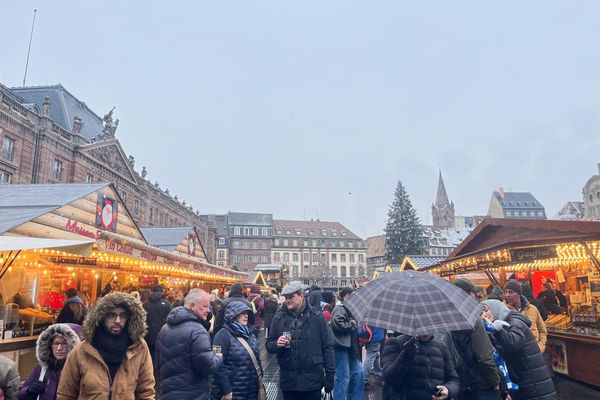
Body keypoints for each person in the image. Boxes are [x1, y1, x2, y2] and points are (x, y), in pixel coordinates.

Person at [57, 292, 155, 400]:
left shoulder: (138, 348)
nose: (117, 321)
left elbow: (146, 392)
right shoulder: (83, 350)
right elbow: (66, 394)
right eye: (112, 315)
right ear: (102, 317)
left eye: (123, 316)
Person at [266, 281, 335, 400]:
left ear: (301, 296)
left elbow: (327, 347)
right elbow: (269, 344)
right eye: (286, 297)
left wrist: (330, 376)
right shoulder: (279, 318)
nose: (287, 300)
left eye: (291, 297)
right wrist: (276, 344)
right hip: (289, 381)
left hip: (312, 381)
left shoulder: (317, 317)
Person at [156, 289, 223, 400]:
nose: (208, 310)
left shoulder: (165, 328)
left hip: (167, 392)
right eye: (205, 306)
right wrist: (218, 357)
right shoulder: (198, 331)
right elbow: (208, 366)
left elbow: (158, 363)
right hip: (193, 393)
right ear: (192, 306)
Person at [482, 300, 556, 400]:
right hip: (523, 380)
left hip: (533, 381)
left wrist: (497, 331)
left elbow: (514, 343)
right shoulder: (501, 325)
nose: (484, 314)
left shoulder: (515, 322)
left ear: (495, 308)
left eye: (486, 310)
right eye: (482, 312)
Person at [445, 279, 500, 400]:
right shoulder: (471, 318)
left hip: (459, 383)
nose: (476, 298)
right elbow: (485, 357)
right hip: (480, 384)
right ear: (467, 294)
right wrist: (495, 381)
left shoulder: (445, 317)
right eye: (474, 294)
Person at [382, 334, 460, 400]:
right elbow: (389, 379)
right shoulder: (396, 343)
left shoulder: (442, 347)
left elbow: (453, 380)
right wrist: (406, 355)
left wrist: (448, 389)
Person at [211, 302, 262, 400]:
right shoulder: (222, 335)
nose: (246, 316)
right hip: (232, 393)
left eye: (247, 313)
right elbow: (217, 366)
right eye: (242, 313)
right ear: (233, 315)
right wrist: (226, 390)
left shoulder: (250, 334)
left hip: (251, 391)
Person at [18, 324, 80, 400]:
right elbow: (20, 394)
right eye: (56, 344)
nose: (59, 348)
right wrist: (29, 390)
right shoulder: (41, 368)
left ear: (72, 345)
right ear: (50, 345)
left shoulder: (77, 371)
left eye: (64, 343)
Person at [331, 287, 364, 400]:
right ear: (347, 296)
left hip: (350, 346)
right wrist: (353, 323)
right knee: (343, 377)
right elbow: (338, 324)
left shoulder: (347, 308)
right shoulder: (340, 308)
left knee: (358, 373)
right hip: (342, 346)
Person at [504, 280, 547, 353]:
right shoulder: (504, 310)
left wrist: (540, 347)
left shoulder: (532, 309)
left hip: (535, 353)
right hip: (517, 355)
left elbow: (542, 330)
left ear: (519, 293)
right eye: (505, 292)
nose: (507, 295)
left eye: (511, 292)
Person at [143, 284, 171, 365]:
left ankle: (151, 374)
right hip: (164, 336)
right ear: (162, 291)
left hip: (148, 336)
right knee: (162, 359)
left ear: (152, 291)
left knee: (150, 358)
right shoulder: (167, 304)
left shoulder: (145, 305)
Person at [362, 325, 384, 391]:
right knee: (370, 357)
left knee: (376, 355)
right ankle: (363, 380)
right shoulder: (380, 315)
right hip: (375, 336)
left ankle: (378, 371)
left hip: (370, 335)